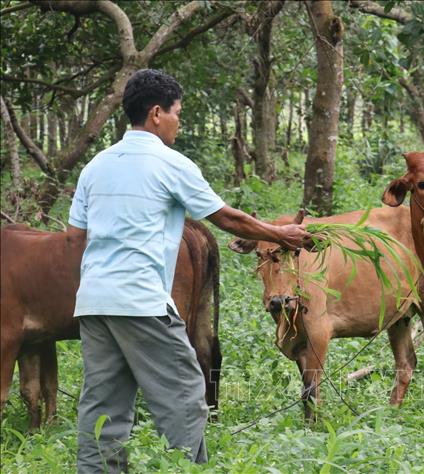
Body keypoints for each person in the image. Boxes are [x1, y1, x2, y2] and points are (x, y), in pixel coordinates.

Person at [68, 69, 310, 473]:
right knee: (185, 394)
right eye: (178, 113)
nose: (179, 123)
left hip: (94, 303)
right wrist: (280, 234)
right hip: (142, 302)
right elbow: (226, 218)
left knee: (102, 407)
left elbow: (74, 239)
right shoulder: (169, 163)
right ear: (157, 113)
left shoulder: (95, 165)